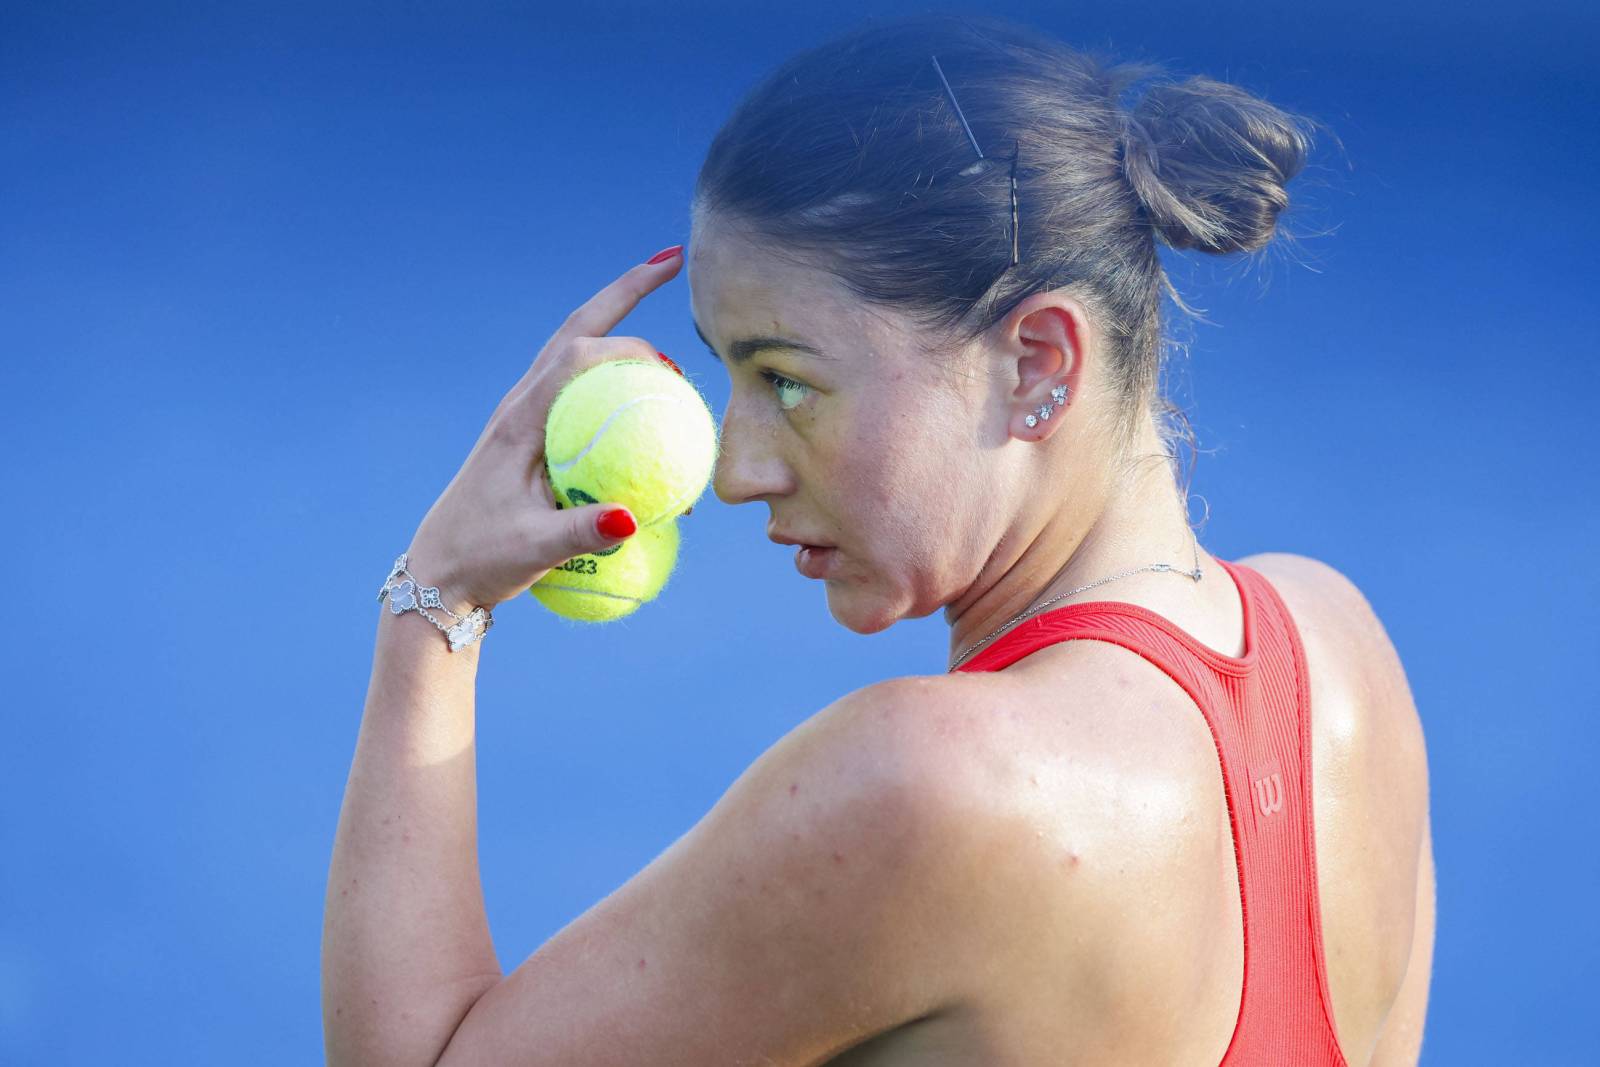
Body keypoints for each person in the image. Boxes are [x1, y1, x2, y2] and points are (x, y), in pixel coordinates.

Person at [324, 13, 1434, 1066]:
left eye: (788, 380)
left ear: (1038, 362)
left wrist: (436, 600)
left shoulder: (925, 784)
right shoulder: (1342, 655)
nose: (732, 470)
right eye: (727, 374)